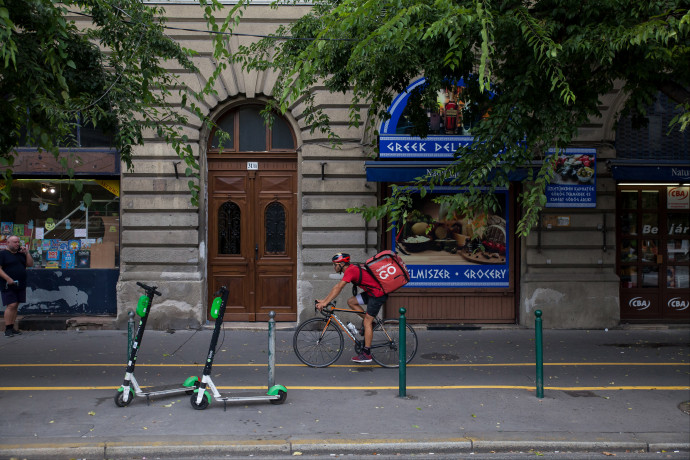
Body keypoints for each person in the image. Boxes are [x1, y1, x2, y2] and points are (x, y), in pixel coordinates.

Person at [316, 253, 387, 363]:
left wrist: (325, 303)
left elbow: (339, 287)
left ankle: (367, 354)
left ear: (342, 264)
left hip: (377, 295)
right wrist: (324, 301)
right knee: (351, 301)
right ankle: (370, 323)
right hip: (372, 292)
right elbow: (337, 287)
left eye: (335, 265)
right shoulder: (350, 269)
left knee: (367, 321)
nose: (334, 267)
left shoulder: (350, 270)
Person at [0, 235, 34, 337]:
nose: (17, 244)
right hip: (7, 284)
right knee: (11, 305)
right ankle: (7, 329)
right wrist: (7, 278)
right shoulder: (3, 254)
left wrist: (27, 253)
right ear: (8, 243)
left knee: (16, 305)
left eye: (18, 242)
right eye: (15, 242)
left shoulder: (21, 254)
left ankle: (12, 327)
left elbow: (30, 264)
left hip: (20, 283)